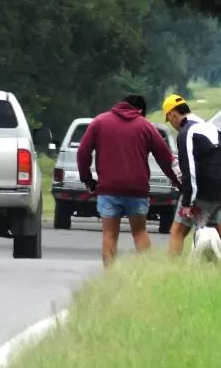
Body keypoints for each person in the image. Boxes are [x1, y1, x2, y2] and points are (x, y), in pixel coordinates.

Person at [77, 94, 181, 267]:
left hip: (108, 189)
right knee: (140, 232)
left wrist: (88, 181)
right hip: (137, 190)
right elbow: (165, 158)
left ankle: (110, 276)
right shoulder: (145, 126)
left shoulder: (100, 122)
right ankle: (145, 275)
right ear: (140, 110)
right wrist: (179, 184)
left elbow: (82, 153)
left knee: (109, 234)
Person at [162, 94, 221, 262]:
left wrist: (187, 202)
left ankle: (171, 271)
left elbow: (189, 170)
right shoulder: (212, 128)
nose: (172, 124)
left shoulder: (187, 133)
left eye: (169, 120)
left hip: (201, 195)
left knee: (177, 232)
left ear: (172, 114)